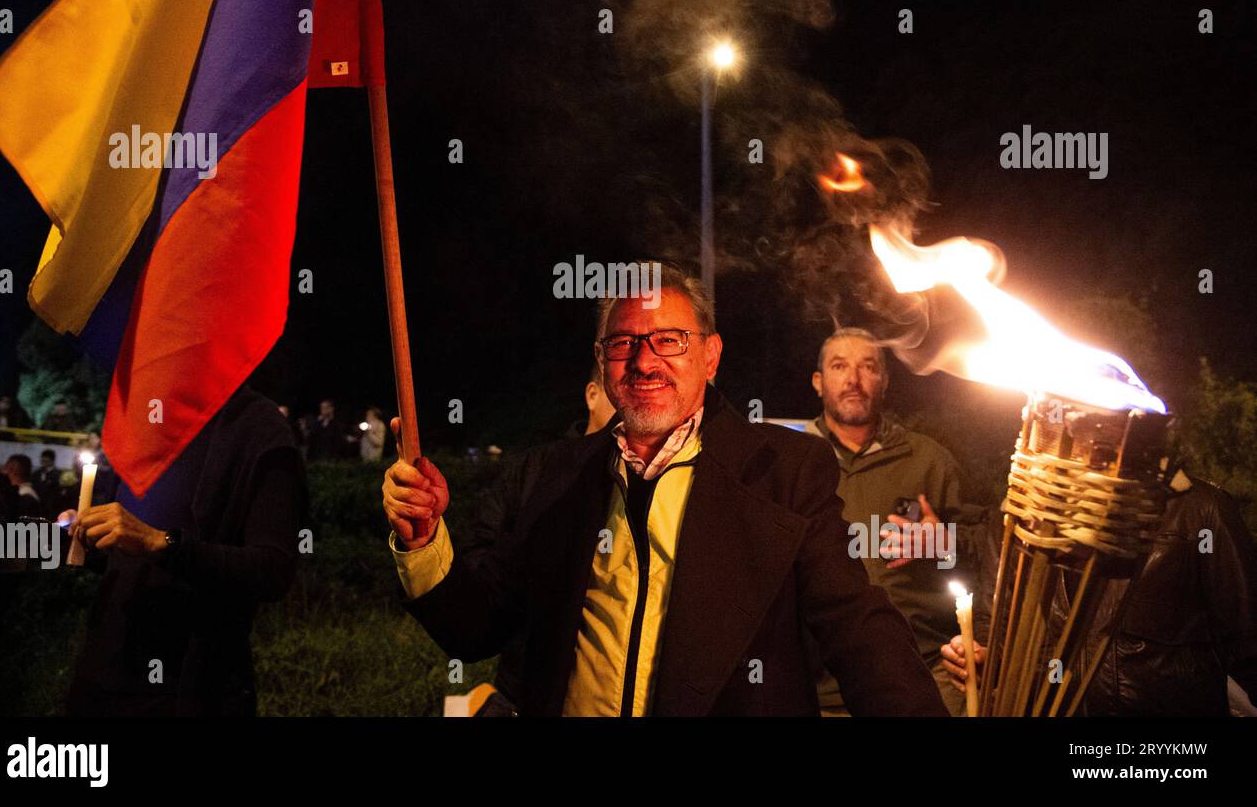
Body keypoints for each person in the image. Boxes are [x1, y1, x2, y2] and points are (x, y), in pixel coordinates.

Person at [382, 262, 947, 716]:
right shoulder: (556, 475)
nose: (644, 361)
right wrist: (424, 539)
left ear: (710, 355)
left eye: (670, 340)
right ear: (601, 363)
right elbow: (478, 626)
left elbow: (855, 625)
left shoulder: (783, 471)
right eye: (623, 343)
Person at [65, 384, 307, 716]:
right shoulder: (151, 417)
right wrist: (92, 537)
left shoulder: (258, 426)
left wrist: (159, 543)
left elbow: (272, 569)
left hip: (189, 689)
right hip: (103, 678)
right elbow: (132, 546)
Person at [940, 468, 1257, 717]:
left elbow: (1250, 643)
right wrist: (983, 663)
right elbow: (994, 631)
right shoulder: (1020, 517)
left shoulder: (1199, 512)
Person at [804, 327, 979, 715]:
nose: (853, 380)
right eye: (839, 366)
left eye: (868, 367)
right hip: (819, 692)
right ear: (819, 382)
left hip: (923, 678)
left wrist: (946, 544)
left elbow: (990, 554)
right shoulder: (790, 462)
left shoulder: (928, 461)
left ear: (884, 381)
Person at [469, 363, 619, 717]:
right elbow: (480, 556)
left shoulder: (644, 479)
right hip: (522, 693)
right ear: (592, 395)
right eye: (618, 389)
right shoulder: (535, 468)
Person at [0, 454, 44, 520]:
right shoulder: (26, 492)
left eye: (5, 468)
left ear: (12, 470)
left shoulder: (23, 495)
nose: (3, 472)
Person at [33, 449, 63, 517]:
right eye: (42, 461)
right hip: (37, 508)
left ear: (52, 461)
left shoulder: (59, 475)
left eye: (46, 461)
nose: (44, 463)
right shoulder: (36, 473)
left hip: (52, 509)